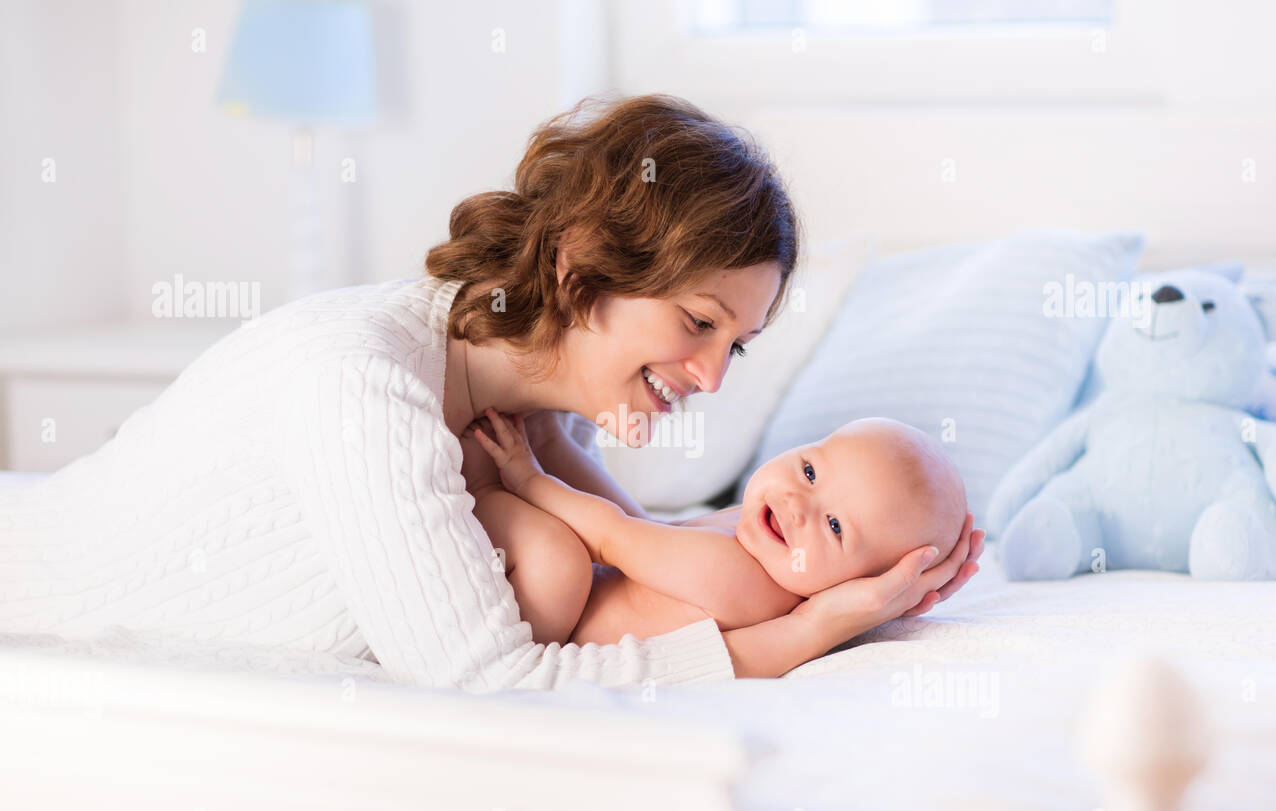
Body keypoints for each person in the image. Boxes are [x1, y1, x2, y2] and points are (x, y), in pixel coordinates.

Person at [0, 93, 982, 689]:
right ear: (581, 264)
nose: (714, 375)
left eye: (739, 343)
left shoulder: (527, 412)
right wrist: (809, 629)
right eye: (697, 322)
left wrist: (850, 577)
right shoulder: (363, 383)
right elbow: (490, 679)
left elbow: (644, 552)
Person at [462, 409, 969, 656]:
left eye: (835, 527)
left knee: (559, 558)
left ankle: (469, 494)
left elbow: (611, 535)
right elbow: (642, 526)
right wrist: (549, 440)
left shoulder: (743, 577)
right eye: (811, 471)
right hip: (587, 578)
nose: (796, 506)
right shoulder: (761, 538)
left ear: (856, 586)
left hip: (550, 618)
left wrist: (530, 478)